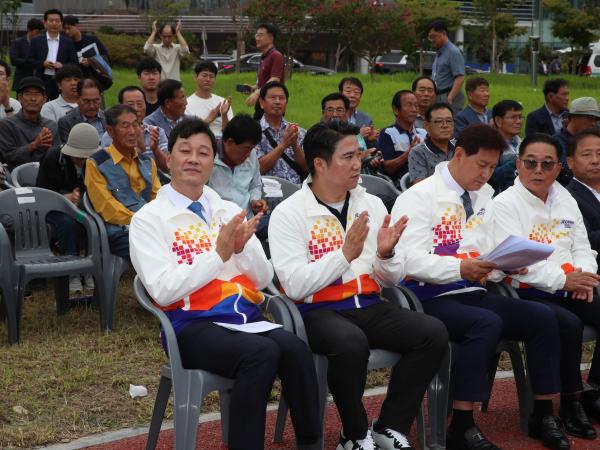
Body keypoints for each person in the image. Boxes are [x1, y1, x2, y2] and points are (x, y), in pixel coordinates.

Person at [129, 117, 321, 450]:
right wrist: (217, 255)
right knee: (261, 355)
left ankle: (311, 442)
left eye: (203, 153)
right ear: (169, 159)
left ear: (211, 162)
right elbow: (161, 290)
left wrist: (243, 248)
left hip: (244, 320)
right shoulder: (148, 219)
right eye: (184, 151)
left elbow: (262, 279)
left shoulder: (227, 210)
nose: (193, 159)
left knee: (296, 350)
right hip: (190, 326)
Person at [269, 119, 448, 450]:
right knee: (350, 343)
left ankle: (389, 425)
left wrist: (387, 253)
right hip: (317, 310)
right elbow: (293, 286)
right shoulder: (289, 213)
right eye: (348, 156)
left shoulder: (371, 203)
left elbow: (390, 279)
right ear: (320, 164)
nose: (358, 164)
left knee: (432, 333)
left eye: (359, 155)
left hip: (368, 304)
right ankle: (353, 434)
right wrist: (343, 255)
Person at [392, 124, 565, 450]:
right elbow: (407, 261)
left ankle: (543, 414)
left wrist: (507, 262)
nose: (486, 174)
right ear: (459, 155)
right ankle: (462, 424)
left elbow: (487, 249)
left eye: (491, 166)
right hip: (427, 296)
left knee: (543, 317)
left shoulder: (484, 196)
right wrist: (460, 267)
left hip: (472, 290)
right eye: (480, 165)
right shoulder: (417, 197)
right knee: (485, 322)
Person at [490, 133, 600, 443]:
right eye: (530, 163)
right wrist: (565, 280)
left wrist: (585, 276)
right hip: (528, 289)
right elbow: (516, 261)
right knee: (566, 323)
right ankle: (559, 407)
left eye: (547, 164)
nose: (538, 170)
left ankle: (592, 391)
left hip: (572, 284)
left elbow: (582, 246)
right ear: (518, 166)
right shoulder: (504, 204)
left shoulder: (564, 198)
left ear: (558, 168)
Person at [85, 104, 161, 259]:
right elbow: (106, 206)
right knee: (160, 249)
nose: (132, 132)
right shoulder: (96, 163)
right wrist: (140, 221)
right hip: (120, 230)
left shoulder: (147, 161)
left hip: (150, 225)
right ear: (110, 131)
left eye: (136, 125)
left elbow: (157, 197)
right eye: (125, 126)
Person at [36, 122, 99, 295]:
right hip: (53, 209)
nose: (82, 159)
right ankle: (72, 270)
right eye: (78, 156)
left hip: (83, 208)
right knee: (67, 224)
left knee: (93, 221)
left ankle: (89, 266)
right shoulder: (52, 158)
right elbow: (40, 194)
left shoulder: (96, 162)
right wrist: (64, 198)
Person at [208, 114, 268, 237]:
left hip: (248, 221)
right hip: (217, 225)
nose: (249, 154)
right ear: (230, 142)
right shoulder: (208, 157)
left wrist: (254, 201)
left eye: (252, 149)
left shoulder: (250, 155)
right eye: (247, 148)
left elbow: (255, 185)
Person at [101, 86, 168, 173]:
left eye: (140, 104)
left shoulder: (156, 132)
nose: (136, 109)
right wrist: (139, 148)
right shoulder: (112, 134)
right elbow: (111, 170)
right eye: (130, 105)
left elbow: (167, 168)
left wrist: (155, 149)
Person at [0, 76, 60, 171]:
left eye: (37, 94)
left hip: (45, 179)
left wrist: (50, 150)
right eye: (28, 94)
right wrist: (34, 145)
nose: (33, 98)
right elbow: (7, 156)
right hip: (14, 180)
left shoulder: (51, 126)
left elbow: (57, 158)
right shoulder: (7, 124)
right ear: (20, 98)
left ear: (44, 99)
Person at [255, 81, 307, 185]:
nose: (278, 102)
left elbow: (308, 169)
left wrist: (295, 146)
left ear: (286, 103)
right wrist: (282, 146)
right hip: (265, 193)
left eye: (282, 98)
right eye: (273, 97)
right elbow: (257, 169)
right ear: (261, 102)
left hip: (297, 193)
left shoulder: (298, 131)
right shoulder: (253, 132)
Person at [377, 90, 427, 187]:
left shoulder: (423, 133)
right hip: (399, 187)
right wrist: (409, 153)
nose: (414, 109)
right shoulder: (388, 133)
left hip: (424, 184)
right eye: (409, 105)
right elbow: (388, 168)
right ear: (396, 110)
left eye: (416, 105)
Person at [27, 9, 78, 101]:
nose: (54, 23)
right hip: (42, 79)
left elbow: (74, 62)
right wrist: (42, 63)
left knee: (60, 106)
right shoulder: (36, 40)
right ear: (45, 23)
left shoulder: (68, 42)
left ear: (61, 23)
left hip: (61, 81)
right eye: (51, 21)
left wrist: (62, 65)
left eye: (57, 21)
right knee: (41, 105)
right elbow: (29, 60)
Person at [567, 129, 600, 270]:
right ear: (570, 162)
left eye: (599, 154)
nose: (595, 160)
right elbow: (586, 241)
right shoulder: (567, 198)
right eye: (587, 155)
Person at [552, 97, 600, 186]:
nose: (594, 123)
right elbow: (566, 174)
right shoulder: (555, 143)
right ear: (573, 117)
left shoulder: (595, 140)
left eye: (596, 120)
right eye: (590, 118)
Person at [408, 102, 455, 184]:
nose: (445, 125)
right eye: (439, 121)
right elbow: (420, 187)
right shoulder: (418, 152)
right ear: (426, 126)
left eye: (449, 121)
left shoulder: (460, 148)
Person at [62, 15, 112, 92]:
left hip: (96, 80)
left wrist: (91, 61)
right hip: (78, 82)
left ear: (77, 26)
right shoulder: (67, 44)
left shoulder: (92, 40)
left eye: (69, 28)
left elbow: (105, 56)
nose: (67, 31)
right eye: (65, 29)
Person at [185, 60, 233, 139]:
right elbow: (187, 133)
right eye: (204, 75)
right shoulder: (187, 104)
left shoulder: (223, 102)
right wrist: (209, 119)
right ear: (195, 77)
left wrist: (224, 115)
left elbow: (229, 133)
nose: (208, 79)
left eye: (211, 76)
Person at [428, 20, 465, 113]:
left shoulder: (453, 52)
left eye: (434, 36)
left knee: (451, 124)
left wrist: (450, 98)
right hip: (438, 96)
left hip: (449, 96)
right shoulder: (440, 52)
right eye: (430, 37)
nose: (432, 40)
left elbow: (460, 77)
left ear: (444, 34)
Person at [245, 23, 285, 109]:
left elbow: (275, 79)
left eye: (260, 35)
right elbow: (265, 82)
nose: (257, 38)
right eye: (256, 35)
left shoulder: (276, 55)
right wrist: (253, 88)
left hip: (272, 105)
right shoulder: (264, 57)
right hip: (262, 102)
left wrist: (258, 92)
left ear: (270, 38)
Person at [58, 78, 106, 144]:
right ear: (77, 99)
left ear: (100, 98)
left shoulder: (109, 117)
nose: (92, 106)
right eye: (86, 101)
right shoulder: (66, 122)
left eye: (96, 100)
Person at [489, 99, 523, 193]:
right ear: (498, 120)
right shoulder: (489, 146)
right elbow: (491, 177)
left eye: (520, 117)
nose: (519, 121)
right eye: (513, 117)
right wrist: (517, 160)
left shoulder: (524, 143)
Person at [339, 77, 379, 145]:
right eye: (348, 91)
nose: (352, 95)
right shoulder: (333, 116)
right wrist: (359, 137)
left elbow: (368, 147)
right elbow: (333, 143)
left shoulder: (366, 119)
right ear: (340, 93)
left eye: (357, 92)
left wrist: (371, 139)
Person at [8, 18, 45, 92]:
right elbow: (14, 60)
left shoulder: (42, 43)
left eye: (41, 32)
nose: (39, 35)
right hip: (22, 79)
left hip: (39, 79)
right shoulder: (18, 43)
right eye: (37, 32)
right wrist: (31, 62)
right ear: (29, 30)